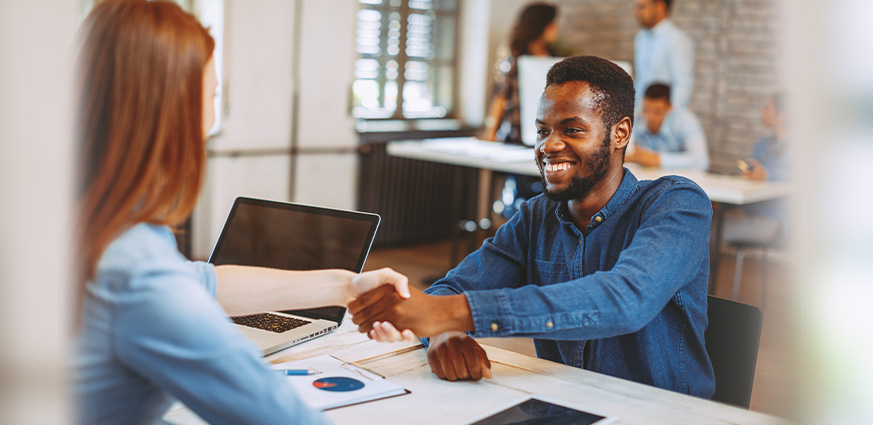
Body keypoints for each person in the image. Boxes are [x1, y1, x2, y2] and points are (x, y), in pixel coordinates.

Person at [70, 2, 412, 424]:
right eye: (212, 94)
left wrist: (347, 285)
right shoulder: (134, 270)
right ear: (173, 113)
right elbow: (277, 416)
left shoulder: (80, 220)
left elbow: (202, 282)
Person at [349, 56, 717, 399]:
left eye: (572, 130)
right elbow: (449, 290)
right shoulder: (537, 216)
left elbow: (625, 300)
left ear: (620, 133)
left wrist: (453, 313)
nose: (549, 145)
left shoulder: (677, 203)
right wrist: (444, 332)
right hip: (566, 407)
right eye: (542, 131)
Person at [480, 2, 559, 145]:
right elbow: (501, 94)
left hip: (545, 133)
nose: (556, 29)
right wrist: (490, 132)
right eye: (552, 24)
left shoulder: (553, 56)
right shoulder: (515, 55)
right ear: (541, 25)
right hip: (515, 133)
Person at [631, 0, 694, 126]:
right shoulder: (640, 38)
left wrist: (667, 120)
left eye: (642, 7)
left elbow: (683, 84)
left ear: (660, 6)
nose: (636, 12)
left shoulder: (676, 40)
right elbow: (641, 80)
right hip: (643, 118)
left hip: (664, 121)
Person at [626, 83, 708, 172]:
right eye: (646, 110)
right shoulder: (634, 117)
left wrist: (659, 160)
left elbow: (701, 161)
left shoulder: (685, 121)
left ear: (669, 107)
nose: (650, 117)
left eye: (657, 112)